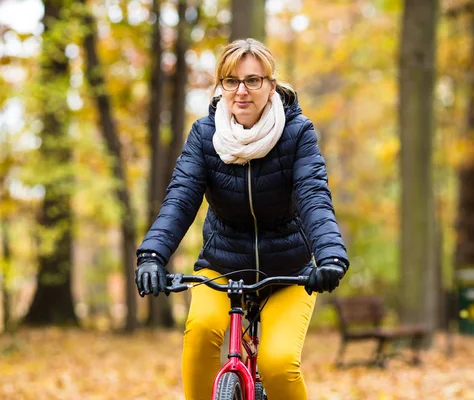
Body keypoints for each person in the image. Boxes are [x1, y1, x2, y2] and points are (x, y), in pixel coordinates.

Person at [135, 38, 349, 400]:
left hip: (289, 272)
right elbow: (181, 198)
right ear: (221, 86)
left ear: (271, 84)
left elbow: (313, 196)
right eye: (231, 81)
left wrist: (329, 255)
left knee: (278, 363)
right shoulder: (205, 135)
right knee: (201, 331)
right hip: (222, 265)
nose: (241, 92)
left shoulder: (297, 133)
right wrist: (152, 256)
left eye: (253, 80)